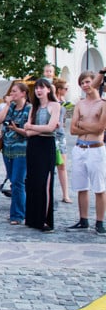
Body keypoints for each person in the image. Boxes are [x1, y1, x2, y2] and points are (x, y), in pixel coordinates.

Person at [66, 71, 106, 234]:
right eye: (82, 83)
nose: (85, 85)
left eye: (88, 81)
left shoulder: (102, 104)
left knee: (99, 187)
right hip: (80, 148)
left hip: (95, 148)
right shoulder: (80, 104)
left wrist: (82, 125)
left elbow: (99, 128)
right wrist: (83, 126)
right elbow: (72, 129)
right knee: (81, 186)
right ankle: (83, 220)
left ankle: (100, 221)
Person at [24, 78, 61, 232]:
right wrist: (38, 129)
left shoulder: (55, 105)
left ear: (48, 89)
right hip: (33, 146)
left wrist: (33, 127)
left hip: (46, 146)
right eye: (37, 88)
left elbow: (51, 128)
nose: (39, 90)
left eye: (42, 87)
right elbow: (27, 132)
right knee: (33, 181)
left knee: (45, 182)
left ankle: (44, 218)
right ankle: (32, 218)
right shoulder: (34, 107)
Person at [0, 83, 31, 225]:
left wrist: (16, 129)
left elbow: (29, 131)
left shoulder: (29, 109)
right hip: (7, 149)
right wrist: (7, 105)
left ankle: (18, 215)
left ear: (23, 93)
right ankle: (16, 211)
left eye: (15, 91)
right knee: (13, 181)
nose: (12, 93)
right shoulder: (11, 107)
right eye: (11, 91)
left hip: (21, 150)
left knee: (18, 182)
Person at [53, 78, 72, 204]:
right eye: (65, 88)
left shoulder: (64, 101)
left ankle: (66, 194)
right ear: (59, 90)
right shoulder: (53, 101)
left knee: (62, 165)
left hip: (61, 135)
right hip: (52, 134)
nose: (67, 90)